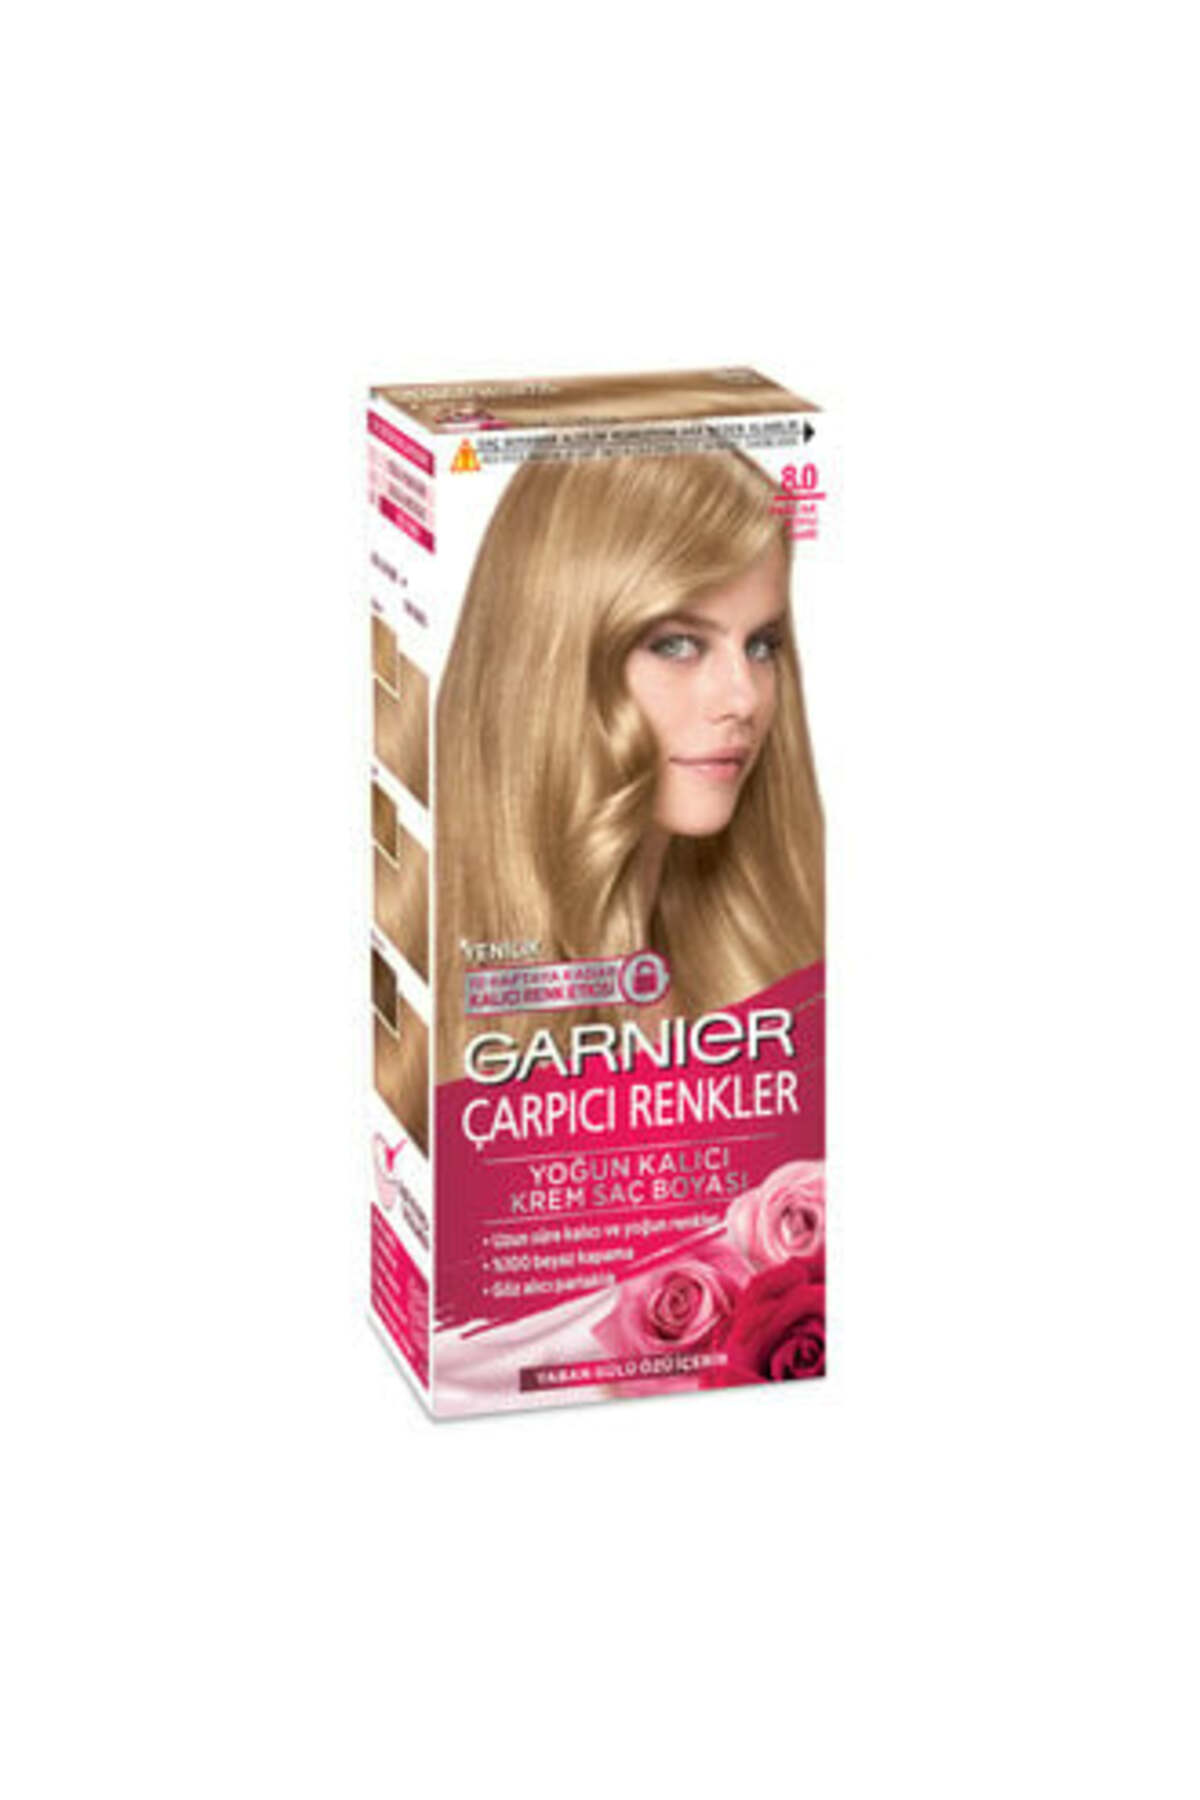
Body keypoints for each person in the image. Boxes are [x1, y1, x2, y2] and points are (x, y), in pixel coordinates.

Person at [435, 446, 824, 1085]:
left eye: (761, 645)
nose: (744, 699)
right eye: (677, 644)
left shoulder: (777, 976)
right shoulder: (436, 1025)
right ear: (549, 662)